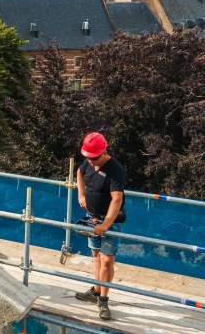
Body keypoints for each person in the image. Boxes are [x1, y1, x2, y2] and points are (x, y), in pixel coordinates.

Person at [74, 132, 126, 320]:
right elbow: (79, 174)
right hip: (93, 218)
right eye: (87, 157)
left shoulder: (115, 168)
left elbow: (117, 199)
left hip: (110, 221)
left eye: (94, 158)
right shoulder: (88, 162)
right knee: (96, 256)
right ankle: (96, 290)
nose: (91, 161)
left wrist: (106, 224)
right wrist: (81, 195)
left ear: (104, 152)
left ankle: (103, 300)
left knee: (106, 260)